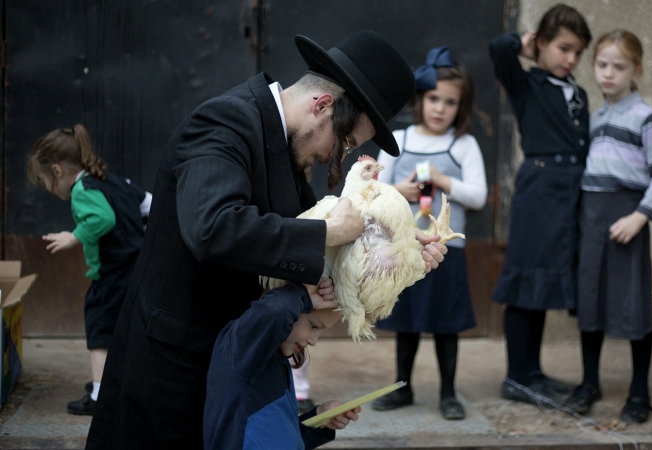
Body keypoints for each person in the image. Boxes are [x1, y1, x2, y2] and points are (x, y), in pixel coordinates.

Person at [86, 30, 448, 449]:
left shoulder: (289, 150)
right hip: (172, 369)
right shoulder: (224, 122)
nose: (338, 157)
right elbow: (212, 227)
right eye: (344, 142)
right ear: (323, 106)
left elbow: (316, 250)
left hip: (230, 369)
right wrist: (327, 231)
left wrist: (401, 250)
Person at [563, 30, 652, 424]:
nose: (609, 74)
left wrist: (639, 216)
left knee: (633, 302)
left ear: (636, 70)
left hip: (627, 214)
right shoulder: (595, 118)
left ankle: (639, 391)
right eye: (602, 65)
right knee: (590, 298)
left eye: (620, 66)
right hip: (591, 216)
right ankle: (589, 382)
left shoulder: (645, 116)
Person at [371, 46, 488, 420]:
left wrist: (442, 180)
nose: (440, 108)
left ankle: (448, 394)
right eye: (433, 98)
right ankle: (401, 387)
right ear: (420, 99)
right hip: (404, 250)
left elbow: (480, 195)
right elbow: (375, 192)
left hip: (445, 253)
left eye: (450, 102)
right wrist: (398, 192)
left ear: (461, 106)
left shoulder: (463, 145)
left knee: (444, 324)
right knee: (406, 323)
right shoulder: (399, 141)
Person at [489, 4, 592, 404]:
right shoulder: (526, 83)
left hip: (571, 191)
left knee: (546, 282)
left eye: (578, 52)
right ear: (542, 45)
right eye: (563, 48)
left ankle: (533, 372)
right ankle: (516, 377)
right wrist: (525, 43)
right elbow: (499, 49)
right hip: (540, 189)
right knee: (527, 279)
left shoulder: (579, 93)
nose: (571, 59)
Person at [26, 124, 149, 416]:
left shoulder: (82, 190)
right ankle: (114, 384)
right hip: (134, 267)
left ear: (57, 171)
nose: (46, 187)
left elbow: (102, 219)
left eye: (44, 179)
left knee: (99, 328)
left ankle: (99, 395)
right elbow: (147, 203)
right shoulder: (109, 179)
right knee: (121, 328)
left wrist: (74, 236)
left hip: (113, 272)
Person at [204, 283, 359, 449]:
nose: (314, 341)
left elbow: (283, 437)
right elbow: (277, 308)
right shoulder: (243, 346)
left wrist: (319, 418)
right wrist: (302, 292)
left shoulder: (280, 361)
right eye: (313, 326)